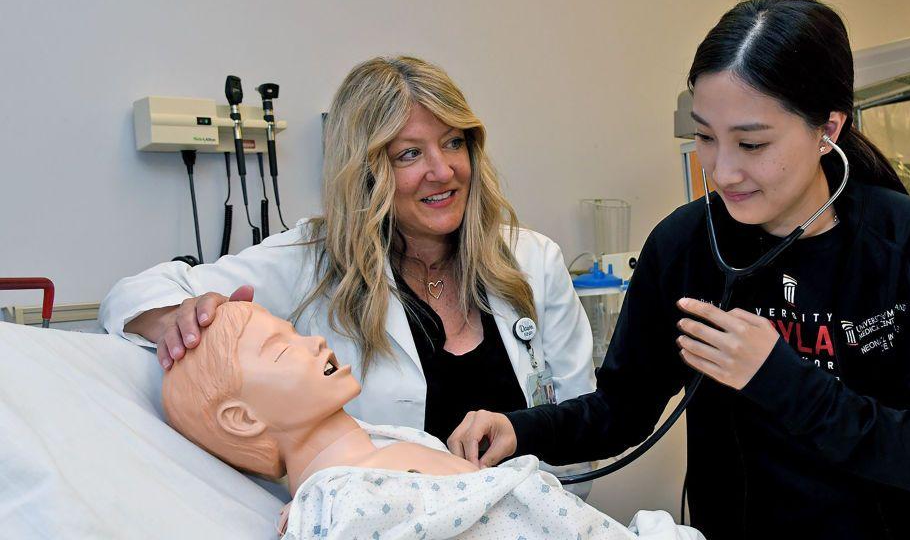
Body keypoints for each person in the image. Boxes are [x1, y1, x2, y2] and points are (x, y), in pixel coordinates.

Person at [446, 0, 910, 539]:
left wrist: (780, 378)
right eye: (705, 137)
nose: (722, 171)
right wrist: (520, 430)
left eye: (752, 143)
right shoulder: (684, 245)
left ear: (828, 128)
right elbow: (623, 408)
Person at [99, 56, 595, 472]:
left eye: (453, 142)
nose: (443, 171)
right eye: (408, 154)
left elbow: (584, 421)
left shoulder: (533, 261)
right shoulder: (314, 261)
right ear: (364, 171)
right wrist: (177, 317)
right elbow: (131, 295)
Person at [163, 301, 706, 540]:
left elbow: (616, 410)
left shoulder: (382, 444)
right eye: (282, 349)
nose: (315, 340)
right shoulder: (342, 505)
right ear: (241, 419)